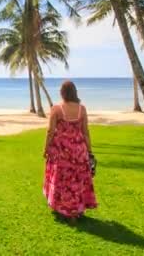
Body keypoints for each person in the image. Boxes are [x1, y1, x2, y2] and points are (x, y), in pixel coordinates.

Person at [43, 80, 97, 224]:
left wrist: (46, 148)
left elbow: (50, 131)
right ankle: (76, 211)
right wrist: (89, 151)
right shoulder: (82, 109)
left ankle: (65, 209)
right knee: (77, 180)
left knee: (62, 180)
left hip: (61, 149)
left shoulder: (56, 109)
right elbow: (86, 132)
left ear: (62, 93)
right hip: (79, 149)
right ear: (75, 92)